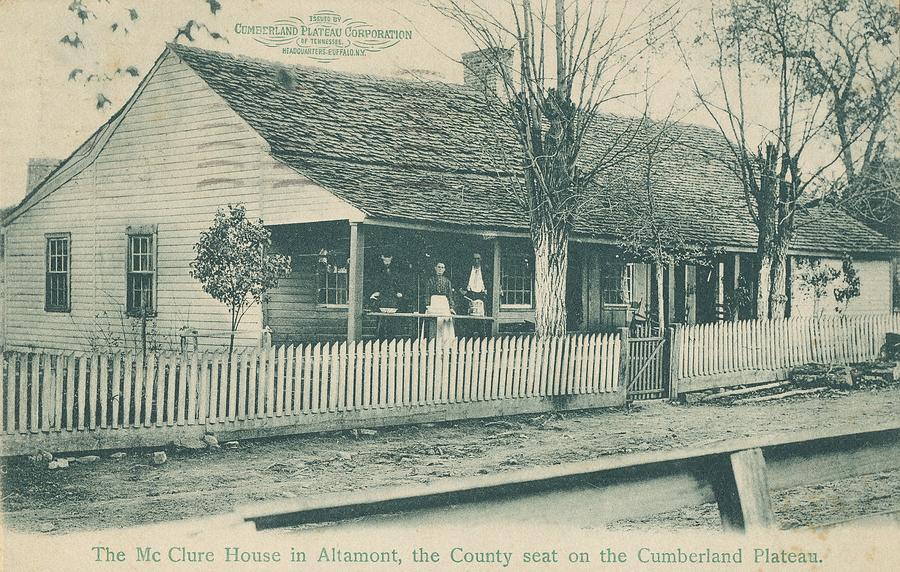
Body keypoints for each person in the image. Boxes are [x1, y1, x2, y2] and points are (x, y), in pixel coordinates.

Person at [423, 261, 456, 345]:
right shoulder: (430, 280)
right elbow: (427, 294)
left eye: (442, 267)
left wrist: (451, 307)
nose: (440, 269)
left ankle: (444, 344)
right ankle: (432, 343)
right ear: (435, 268)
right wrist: (428, 305)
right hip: (434, 303)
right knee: (433, 323)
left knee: (444, 323)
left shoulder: (447, 281)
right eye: (439, 267)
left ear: (444, 269)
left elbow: (450, 295)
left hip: (444, 304)